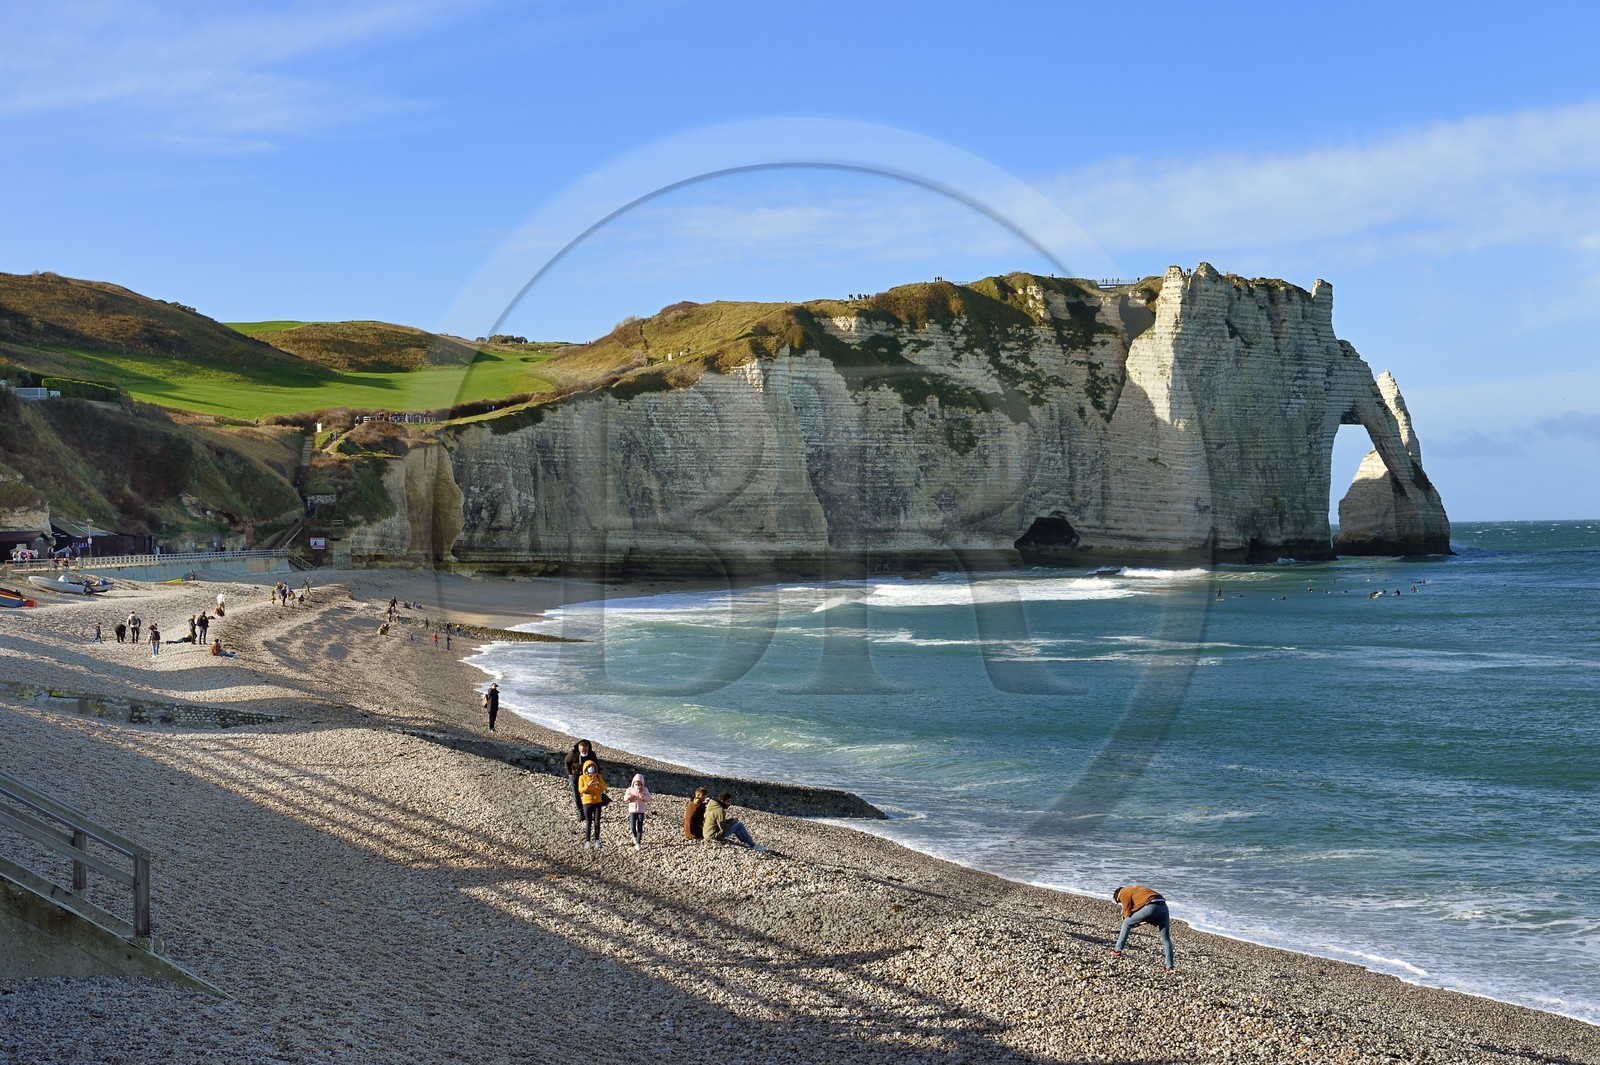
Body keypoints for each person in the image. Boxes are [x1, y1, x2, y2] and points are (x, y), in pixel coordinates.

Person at [1110, 885, 1175, 971]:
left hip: (1151, 906)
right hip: (1163, 906)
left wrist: (1130, 920)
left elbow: (1127, 912)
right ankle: (1169, 966)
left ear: (1118, 896)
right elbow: (1140, 906)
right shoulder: (1136, 890)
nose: (1121, 903)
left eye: (1120, 902)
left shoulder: (1123, 893)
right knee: (1166, 939)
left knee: (1126, 923)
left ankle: (1117, 950)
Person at [577, 761, 607, 849]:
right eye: (589, 766)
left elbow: (604, 787)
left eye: (593, 766)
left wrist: (598, 784)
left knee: (597, 821)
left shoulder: (598, 776)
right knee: (588, 822)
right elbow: (580, 790)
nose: (591, 768)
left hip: (598, 801)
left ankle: (597, 840)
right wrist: (588, 785)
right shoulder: (582, 777)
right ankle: (587, 841)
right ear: (586, 768)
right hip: (587, 802)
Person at [563, 740, 595, 820]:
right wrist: (570, 773)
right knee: (576, 795)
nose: (584, 752)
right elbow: (566, 761)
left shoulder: (591, 754)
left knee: (589, 793)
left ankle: (589, 812)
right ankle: (581, 812)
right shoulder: (573, 754)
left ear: (588, 748)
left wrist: (596, 775)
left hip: (587, 776)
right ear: (579, 749)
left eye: (585, 750)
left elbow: (596, 765)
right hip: (575, 776)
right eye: (582, 751)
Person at [623, 773, 651, 850]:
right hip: (632, 810)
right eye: (636, 784)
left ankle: (638, 843)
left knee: (640, 827)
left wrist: (642, 797)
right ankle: (635, 836)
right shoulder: (629, 789)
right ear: (633, 783)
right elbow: (625, 799)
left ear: (642, 784)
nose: (638, 786)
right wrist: (629, 797)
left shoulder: (645, 789)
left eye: (639, 784)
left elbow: (648, 799)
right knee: (632, 827)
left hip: (641, 810)